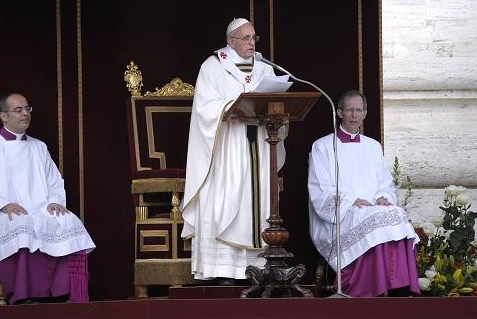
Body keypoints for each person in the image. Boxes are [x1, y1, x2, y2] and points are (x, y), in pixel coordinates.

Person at [0, 93, 96, 304]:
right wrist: (2, 204)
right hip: (0, 213)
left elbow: (54, 180)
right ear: (4, 116)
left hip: (39, 208)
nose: (25, 113)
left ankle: (66, 293)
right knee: (22, 224)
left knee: (68, 220)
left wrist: (55, 201)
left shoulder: (39, 147)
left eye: (27, 109)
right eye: (18, 110)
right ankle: (23, 295)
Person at [180, 18, 286, 283]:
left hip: (260, 144)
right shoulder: (213, 67)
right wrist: (235, 105)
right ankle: (224, 270)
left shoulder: (264, 69)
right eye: (246, 38)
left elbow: (277, 102)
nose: (252, 43)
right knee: (228, 202)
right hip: (228, 146)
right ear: (231, 41)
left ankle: (260, 269)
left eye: (254, 38)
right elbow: (205, 108)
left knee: (258, 201)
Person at [307, 90, 420, 297]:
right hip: (343, 212)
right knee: (375, 218)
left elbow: (385, 182)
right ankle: (367, 287)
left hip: (372, 207)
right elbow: (320, 189)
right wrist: (351, 201)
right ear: (339, 113)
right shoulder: (322, 147)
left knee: (395, 213)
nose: (354, 115)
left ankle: (398, 287)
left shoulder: (373, 146)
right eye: (349, 110)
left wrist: (383, 197)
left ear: (365, 114)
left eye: (358, 110)